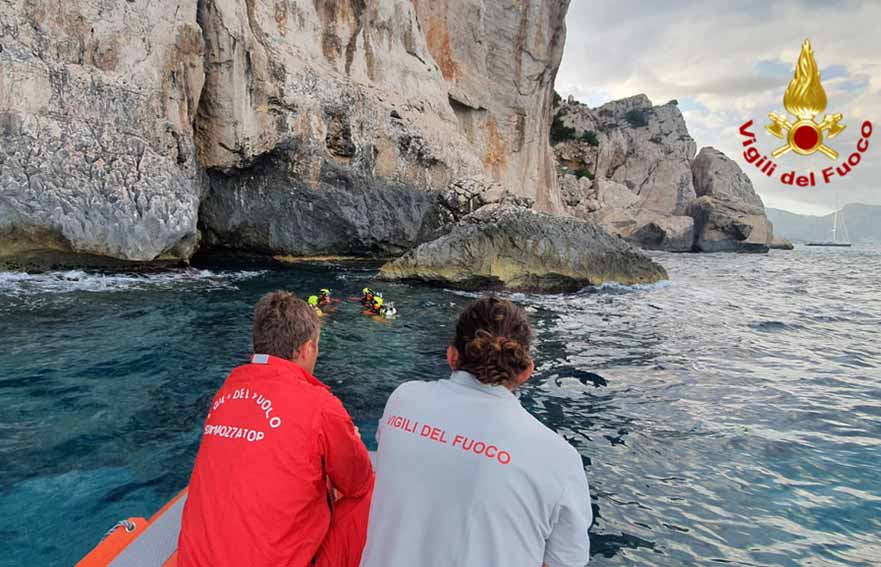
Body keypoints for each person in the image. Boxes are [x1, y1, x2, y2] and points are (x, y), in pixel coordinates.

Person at [362, 297, 592, 567]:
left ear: (452, 356)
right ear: (526, 371)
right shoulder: (559, 458)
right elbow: (564, 561)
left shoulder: (404, 399)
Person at [178, 291, 374, 567]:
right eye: (316, 346)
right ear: (306, 349)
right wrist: (351, 439)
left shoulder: (227, 391)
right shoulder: (320, 404)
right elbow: (358, 482)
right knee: (371, 490)